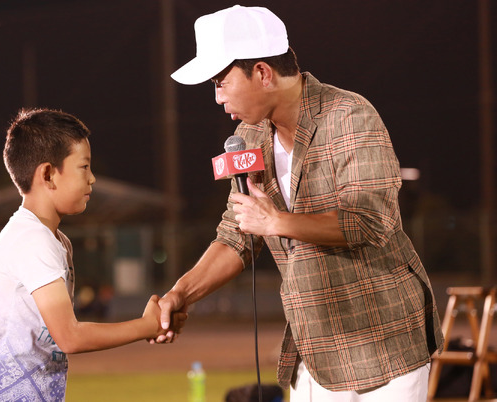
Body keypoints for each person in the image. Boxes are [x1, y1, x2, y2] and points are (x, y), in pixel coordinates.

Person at [156, 5, 444, 401]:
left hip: (382, 349)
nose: (217, 97)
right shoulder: (251, 134)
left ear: (262, 72)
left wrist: (276, 221)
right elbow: (237, 235)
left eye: (221, 81)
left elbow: (371, 221)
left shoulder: (350, 116)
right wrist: (181, 293)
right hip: (313, 351)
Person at [0, 108, 179, 401]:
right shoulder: (33, 239)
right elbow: (68, 337)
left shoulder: (55, 241)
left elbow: (21, 340)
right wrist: (148, 325)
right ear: (48, 174)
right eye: (84, 167)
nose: (92, 178)